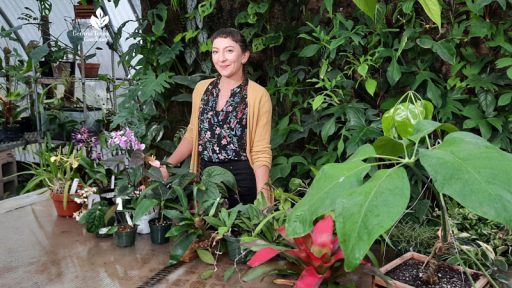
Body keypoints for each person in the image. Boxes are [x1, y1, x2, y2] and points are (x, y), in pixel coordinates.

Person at [161, 28, 273, 207]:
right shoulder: (201, 89)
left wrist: (263, 199)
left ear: (244, 56)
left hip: (242, 181)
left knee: (243, 233)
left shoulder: (258, 95)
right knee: (209, 233)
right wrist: (166, 164)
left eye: (229, 50)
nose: (221, 58)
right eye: (215, 51)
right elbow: (193, 134)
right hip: (208, 179)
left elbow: (261, 151)